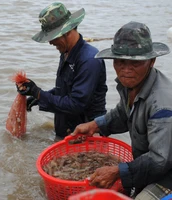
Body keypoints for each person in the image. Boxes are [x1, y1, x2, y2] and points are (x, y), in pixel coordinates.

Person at [72, 21, 172, 200]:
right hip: (149, 166)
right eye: (120, 62)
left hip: (167, 176)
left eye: (135, 63)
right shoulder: (131, 84)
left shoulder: (162, 104)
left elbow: (159, 160)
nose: (126, 70)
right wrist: (95, 125)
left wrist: (117, 171)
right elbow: (122, 113)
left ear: (151, 61)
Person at [17, 2, 108, 140]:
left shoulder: (89, 60)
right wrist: (37, 96)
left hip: (86, 136)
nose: (50, 42)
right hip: (67, 132)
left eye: (53, 37)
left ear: (67, 32)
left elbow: (76, 104)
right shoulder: (66, 52)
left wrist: (40, 94)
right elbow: (65, 90)